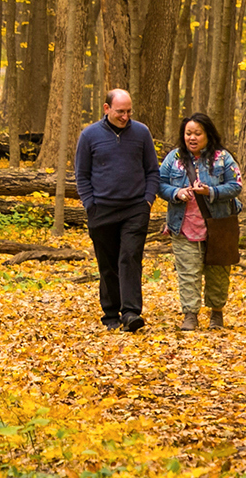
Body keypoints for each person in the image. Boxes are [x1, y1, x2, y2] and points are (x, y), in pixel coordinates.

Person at [74, 88, 159, 332]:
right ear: (106, 108)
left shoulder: (141, 133)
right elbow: (82, 174)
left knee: (130, 257)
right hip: (102, 209)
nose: (125, 116)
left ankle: (131, 312)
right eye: (120, 111)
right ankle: (111, 314)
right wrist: (90, 204)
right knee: (108, 263)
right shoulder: (89, 135)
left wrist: (147, 201)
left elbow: (152, 170)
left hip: (135, 208)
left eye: (129, 111)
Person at [158, 112, 243, 331]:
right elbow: (159, 183)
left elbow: (237, 185)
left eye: (197, 133)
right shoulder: (174, 159)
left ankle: (216, 314)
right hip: (183, 225)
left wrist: (211, 191)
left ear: (208, 135)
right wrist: (176, 193)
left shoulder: (223, 158)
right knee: (188, 272)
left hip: (218, 225)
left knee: (218, 272)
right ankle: (190, 315)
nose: (192, 138)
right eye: (188, 133)